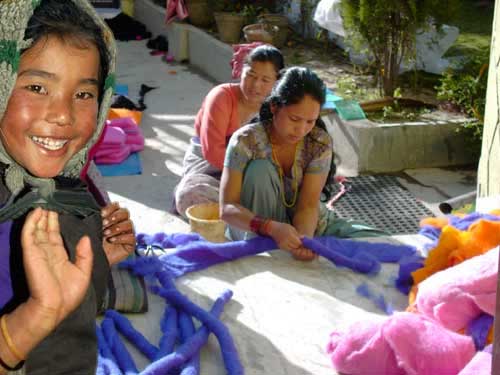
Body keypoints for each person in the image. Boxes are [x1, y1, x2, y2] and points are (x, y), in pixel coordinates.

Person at [0, 1, 135, 374]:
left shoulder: (76, 194)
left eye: (83, 94)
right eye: (37, 87)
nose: (63, 114)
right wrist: (31, 319)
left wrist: (98, 262)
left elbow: (75, 324)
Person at [220, 67, 386, 261]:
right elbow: (227, 208)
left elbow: (308, 205)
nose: (301, 130)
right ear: (274, 107)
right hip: (256, 229)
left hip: (306, 222)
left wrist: (304, 240)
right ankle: (269, 248)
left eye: (310, 121)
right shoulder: (245, 141)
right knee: (260, 169)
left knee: (381, 244)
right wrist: (270, 227)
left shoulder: (318, 142)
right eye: (294, 119)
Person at [174, 45, 284, 217]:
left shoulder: (275, 106)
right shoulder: (221, 97)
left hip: (253, 174)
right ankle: (248, 212)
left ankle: (243, 212)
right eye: (251, 75)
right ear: (241, 71)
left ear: (276, 81)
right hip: (211, 169)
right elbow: (213, 153)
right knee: (189, 195)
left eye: (265, 80)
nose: (256, 85)